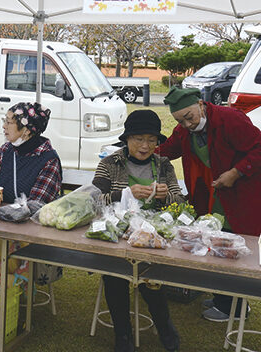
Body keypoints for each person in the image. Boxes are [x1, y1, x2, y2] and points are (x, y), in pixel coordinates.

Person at [157, 87, 261, 322]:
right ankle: (225, 299)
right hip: (213, 195)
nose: (187, 125)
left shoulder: (230, 119)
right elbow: (170, 148)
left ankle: (234, 309)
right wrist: (142, 150)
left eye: (190, 117)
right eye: (180, 121)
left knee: (232, 249)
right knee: (215, 246)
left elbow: (258, 148)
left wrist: (235, 172)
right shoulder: (184, 131)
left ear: (201, 105)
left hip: (241, 195)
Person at [93, 109, 182, 352]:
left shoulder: (163, 165)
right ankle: (122, 334)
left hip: (152, 237)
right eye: (139, 139)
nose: (145, 145)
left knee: (150, 273)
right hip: (117, 234)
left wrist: (167, 197)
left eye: (151, 140)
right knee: (115, 274)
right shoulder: (110, 164)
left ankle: (164, 326)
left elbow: (181, 203)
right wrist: (124, 194)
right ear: (127, 139)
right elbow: (93, 201)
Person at [0, 102, 62, 204]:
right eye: (4, 120)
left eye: (9, 122)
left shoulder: (49, 160)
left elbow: (37, 203)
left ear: (26, 130)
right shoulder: (5, 150)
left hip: (27, 219)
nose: (4, 126)